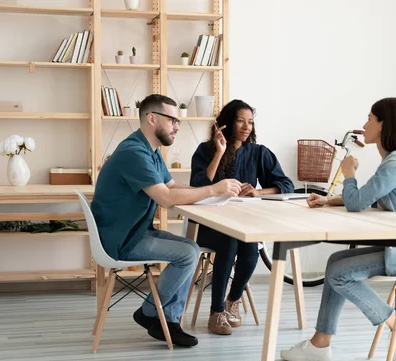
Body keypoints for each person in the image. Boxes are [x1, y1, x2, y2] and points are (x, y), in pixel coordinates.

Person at [280, 97, 396, 361]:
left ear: (384, 125)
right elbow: (369, 196)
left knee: (338, 273)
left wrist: (348, 174)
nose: (364, 124)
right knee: (336, 261)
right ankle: (320, 344)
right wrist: (330, 199)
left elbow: (358, 203)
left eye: (370, 118)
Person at [91, 94, 242, 347]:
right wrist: (212, 190)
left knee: (191, 248)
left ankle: (158, 316)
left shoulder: (150, 150)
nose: (177, 126)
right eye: (172, 120)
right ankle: (159, 317)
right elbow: (165, 198)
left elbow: (172, 185)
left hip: (134, 232)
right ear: (151, 118)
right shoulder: (134, 152)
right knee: (187, 254)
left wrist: (211, 195)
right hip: (121, 240)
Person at [190, 99, 294, 335]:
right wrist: (219, 152)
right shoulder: (205, 150)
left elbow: (287, 185)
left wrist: (259, 191)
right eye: (240, 121)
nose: (247, 127)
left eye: (250, 122)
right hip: (208, 225)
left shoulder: (259, 153)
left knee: (249, 247)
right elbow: (198, 184)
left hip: (241, 222)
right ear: (226, 123)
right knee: (229, 242)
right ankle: (216, 313)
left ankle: (232, 301)